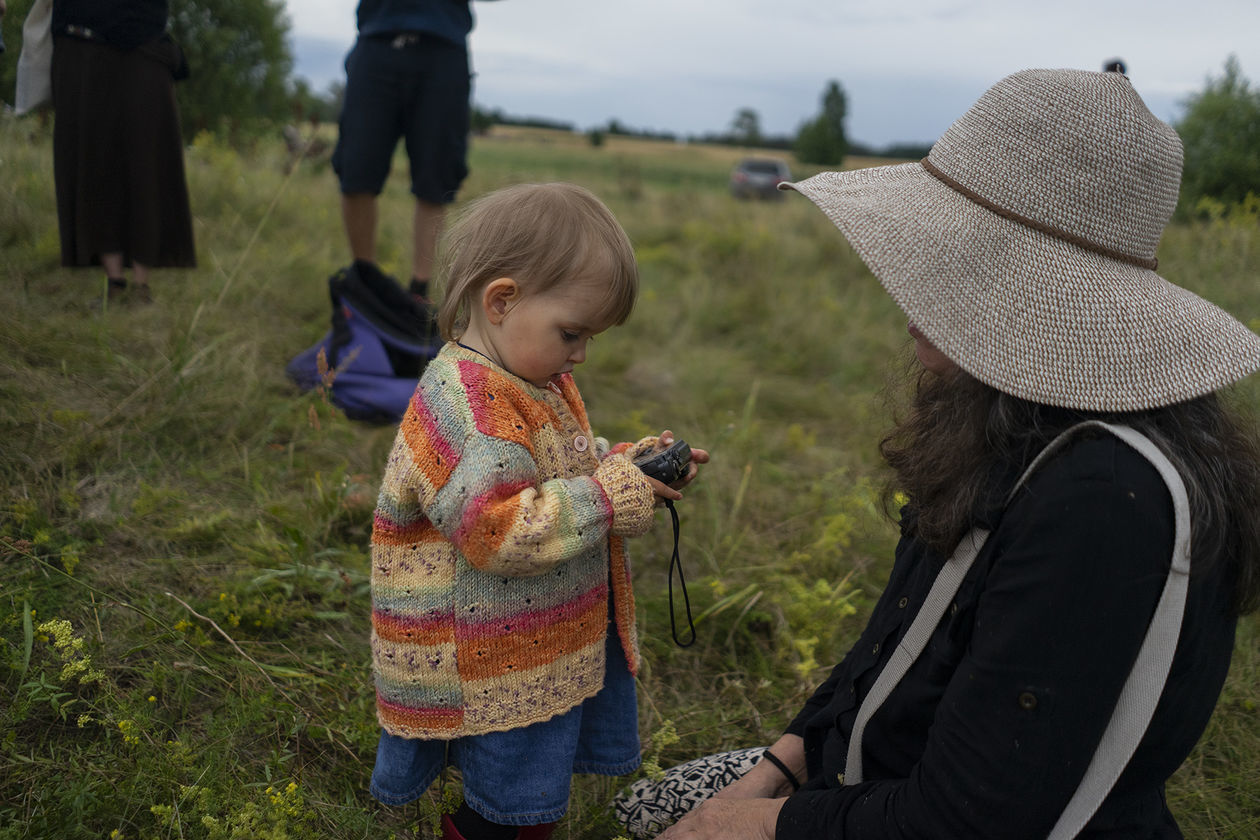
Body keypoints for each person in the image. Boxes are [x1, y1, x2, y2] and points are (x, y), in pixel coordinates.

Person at [615, 68, 1260, 839]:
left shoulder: (1101, 500)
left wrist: (752, 829)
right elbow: (889, 650)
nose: (909, 289)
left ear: (1039, 295)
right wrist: (776, 771)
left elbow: (970, 817)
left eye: (953, 262)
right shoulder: (1001, 410)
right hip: (876, 781)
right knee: (645, 811)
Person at [368, 182, 710, 840]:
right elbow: (500, 530)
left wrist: (627, 465)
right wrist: (609, 494)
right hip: (490, 665)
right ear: (502, 301)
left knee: (525, 806)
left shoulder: (522, 380)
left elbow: (551, 469)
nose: (581, 354)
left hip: (524, 649)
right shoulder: (475, 409)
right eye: (572, 332)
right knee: (511, 813)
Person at [333, 0, 489, 306]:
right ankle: (365, 286)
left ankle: (419, 292)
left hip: (444, 47)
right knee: (356, 168)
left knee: (437, 176)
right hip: (377, 39)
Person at [51, 0, 196, 305]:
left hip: (141, 45)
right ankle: (115, 281)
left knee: (145, 165)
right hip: (84, 45)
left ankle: (141, 286)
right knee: (94, 166)